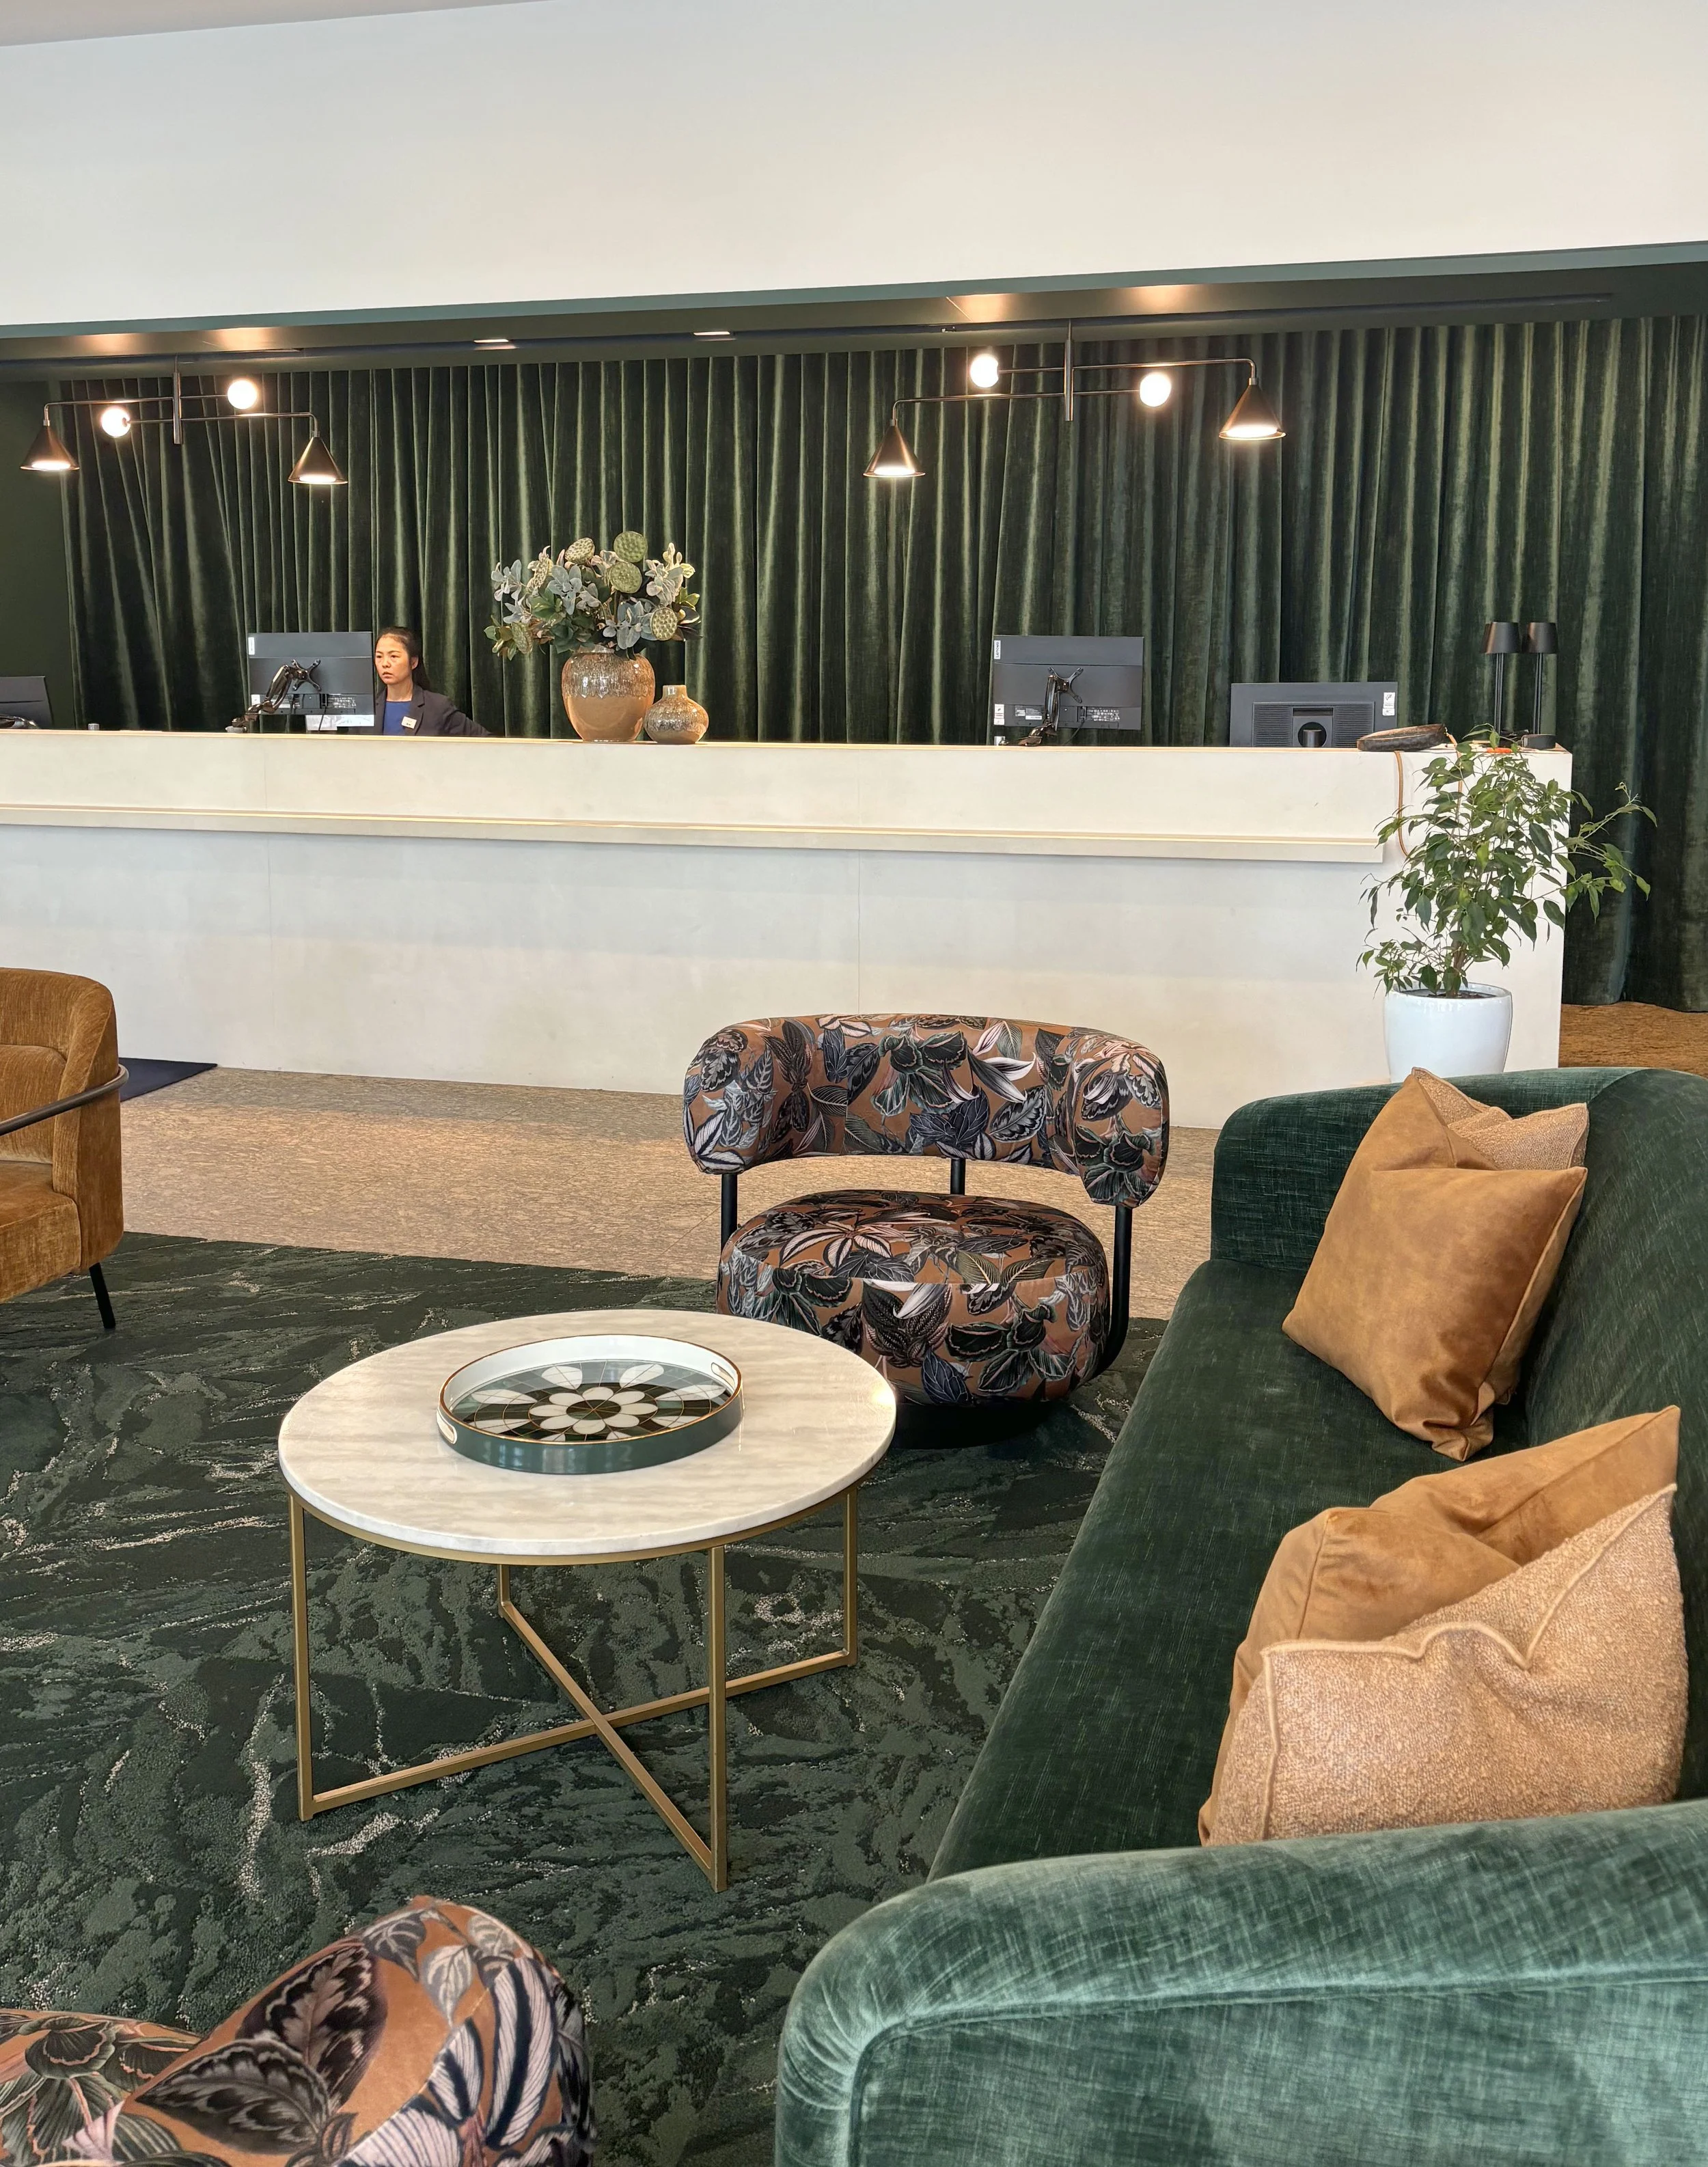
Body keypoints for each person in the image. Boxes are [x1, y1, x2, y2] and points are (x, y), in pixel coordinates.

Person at [373, 626, 488, 736]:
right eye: (379, 657)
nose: (385, 664)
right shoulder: (368, 707)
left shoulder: (438, 707)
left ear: (413, 662)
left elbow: (485, 740)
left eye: (393, 656)